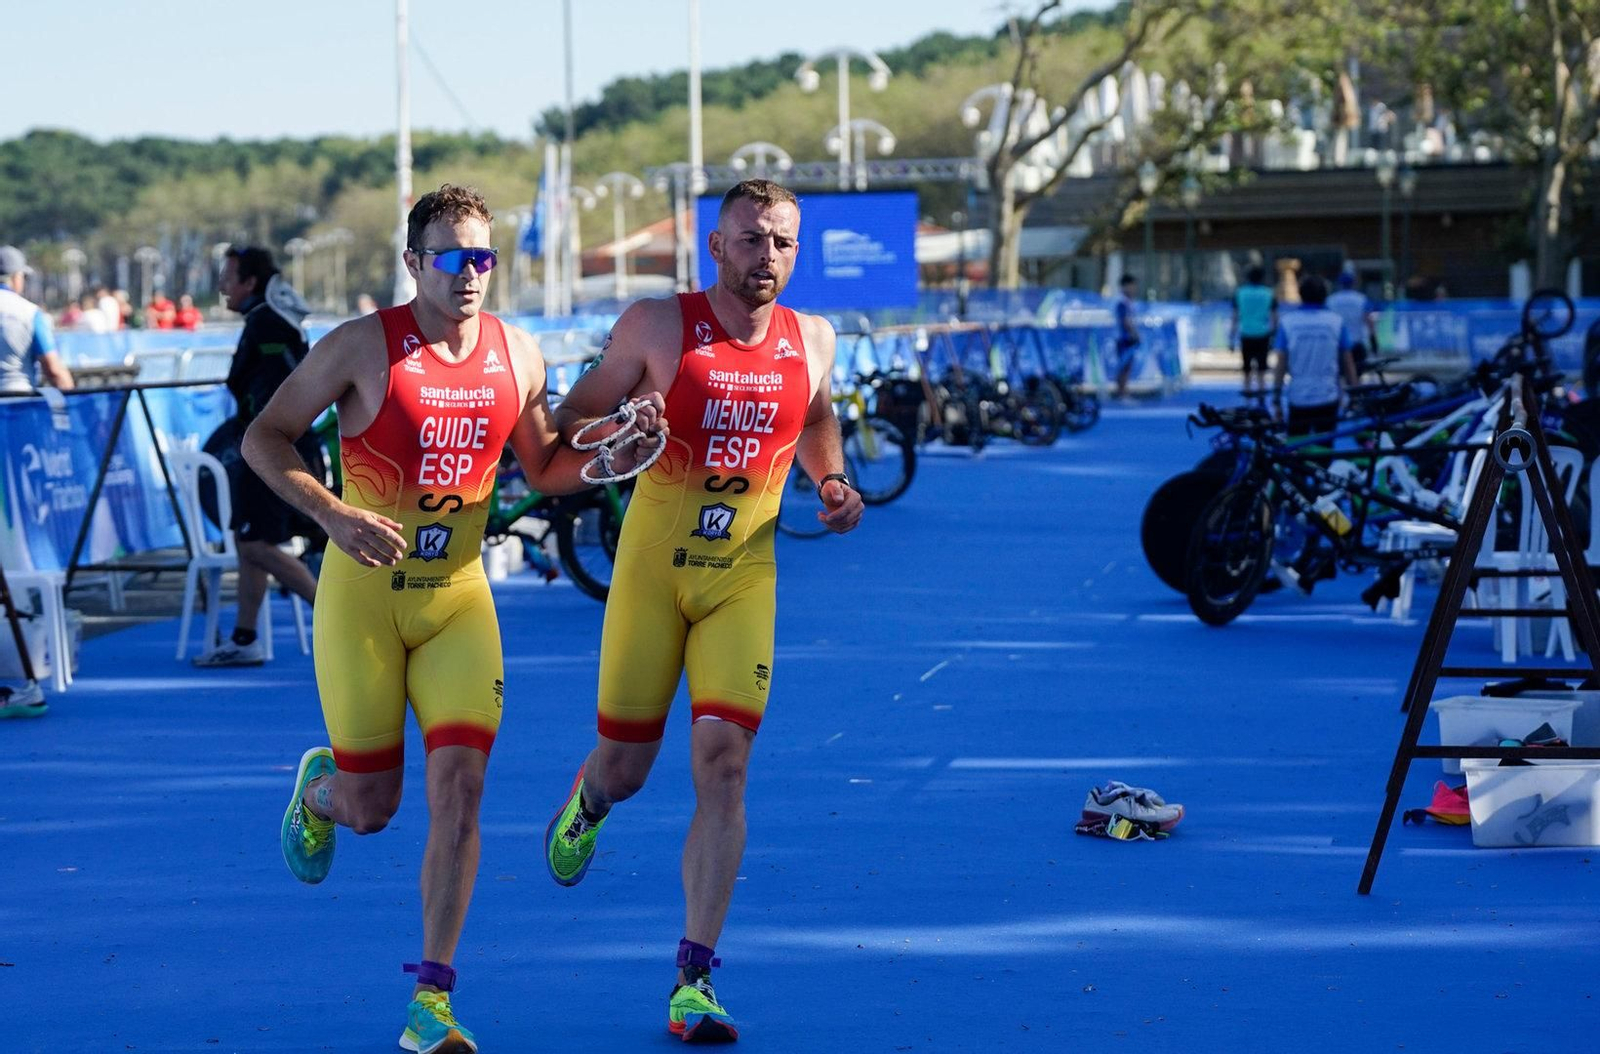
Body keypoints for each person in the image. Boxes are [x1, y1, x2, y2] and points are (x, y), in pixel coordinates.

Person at [242, 183, 662, 1053]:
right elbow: (264, 438)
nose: (469, 274)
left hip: (457, 601)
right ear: (412, 264)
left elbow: (543, 467)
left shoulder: (520, 354)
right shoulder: (364, 347)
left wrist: (610, 461)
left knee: (462, 794)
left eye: (483, 258)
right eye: (450, 257)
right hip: (362, 601)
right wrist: (330, 513)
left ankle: (430, 999)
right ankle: (321, 794)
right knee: (373, 808)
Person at [540, 178, 864, 1043]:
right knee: (627, 771)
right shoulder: (656, 326)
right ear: (714, 247)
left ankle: (694, 980)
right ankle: (588, 801)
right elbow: (567, 426)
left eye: (784, 243)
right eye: (752, 240)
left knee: (723, 766)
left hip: (741, 579)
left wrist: (830, 479)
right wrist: (623, 429)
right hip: (651, 578)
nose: (769, 257)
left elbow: (817, 418)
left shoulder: (815, 338)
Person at [193, 246, 321, 667]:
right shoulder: (263, 320)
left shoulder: (268, 325)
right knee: (249, 543)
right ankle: (246, 639)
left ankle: (340, 620)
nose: (222, 286)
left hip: (275, 449)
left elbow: (286, 387)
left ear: (250, 283)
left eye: (229, 278)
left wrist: (269, 437)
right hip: (263, 446)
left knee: (257, 546)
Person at [1272, 273, 1356, 439]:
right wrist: (1355, 393)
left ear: (1301, 294)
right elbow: (1348, 361)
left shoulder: (1288, 323)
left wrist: (1276, 398)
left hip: (1298, 396)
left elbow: (1281, 363)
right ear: (1324, 295)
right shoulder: (1336, 322)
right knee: (1324, 451)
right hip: (1327, 395)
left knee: (1296, 450)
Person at [0, 246, 75, 395]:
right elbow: (53, 370)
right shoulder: (29, 312)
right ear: (16, 277)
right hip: (17, 404)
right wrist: (75, 404)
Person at [1230, 264, 1277, 396]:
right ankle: (1261, 395)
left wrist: (1231, 336)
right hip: (1263, 334)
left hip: (1246, 334)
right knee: (1262, 368)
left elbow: (1235, 316)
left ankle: (1247, 395)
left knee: (1247, 368)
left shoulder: (1240, 293)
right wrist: (1274, 335)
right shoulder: (1268, 293)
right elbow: (1274, 317)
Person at [1325, 270, 1375, 375]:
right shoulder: (1361, 299)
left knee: (1339, 376)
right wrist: (1373, 339)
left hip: (1338, 344)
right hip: (1357, 344)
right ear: (1353, 283)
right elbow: (1368, 320)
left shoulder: (1331, 300)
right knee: (1356, 377)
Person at [1112, 273, 1140, 399]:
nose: (1134, 289)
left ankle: (1123, 390)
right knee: (1124, 365)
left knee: (1127, 365)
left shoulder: (1129, 302)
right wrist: (1134, 334)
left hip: (1126, 337)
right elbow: (1125, 321)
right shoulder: (1122, 302)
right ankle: (1121, 391)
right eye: (1132, 286)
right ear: (1125, 286)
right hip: (1123, 338)